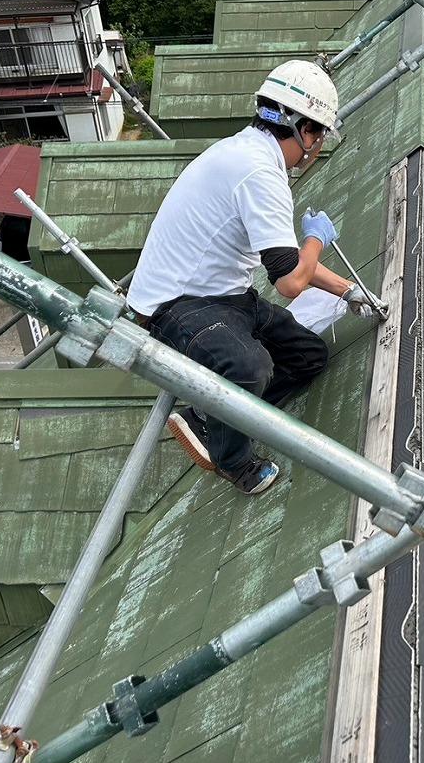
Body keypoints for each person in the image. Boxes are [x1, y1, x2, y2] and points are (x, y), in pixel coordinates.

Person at [127, 60, 374, 494]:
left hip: (223, 295)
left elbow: (286, 265)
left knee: (307, 356)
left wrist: (349, 290)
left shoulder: (248, 152)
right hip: (175, 305)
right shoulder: (259, 172)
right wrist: (315, 240)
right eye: (317, 135)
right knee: (249, 367)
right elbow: (290, 282)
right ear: (301, 129)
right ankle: (232, 461)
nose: (315, 148)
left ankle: (216, 413)